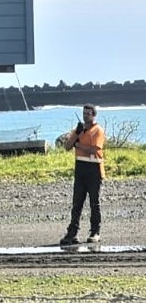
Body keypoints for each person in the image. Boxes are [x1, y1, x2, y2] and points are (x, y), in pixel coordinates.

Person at [60, 104, 105, 245]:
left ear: (93, 115)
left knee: (94, 202)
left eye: (88, 114)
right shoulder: (79, 130)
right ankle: (72, 232)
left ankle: (95, 231)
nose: (86, 116)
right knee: (77, 203)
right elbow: (67, 146)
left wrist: (78, 146)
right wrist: (76, 135)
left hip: (94, 169)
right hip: (80, 169)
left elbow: (94, 149)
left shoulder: (98, 130)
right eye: (84, 113)